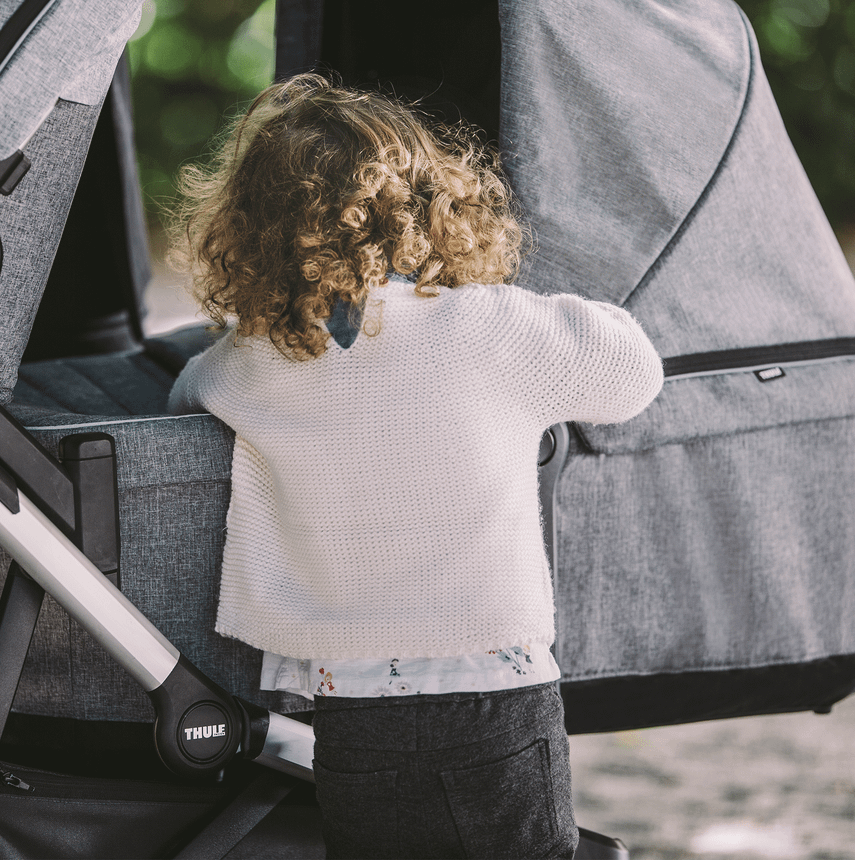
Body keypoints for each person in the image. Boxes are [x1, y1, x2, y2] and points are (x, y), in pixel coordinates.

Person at [167, 73, 663, 859]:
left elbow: (183, 394)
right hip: (494, 688)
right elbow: (632, 374)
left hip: (354, 708)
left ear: (253, 230)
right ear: (435, 207)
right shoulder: (487, 326)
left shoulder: (244, 364)